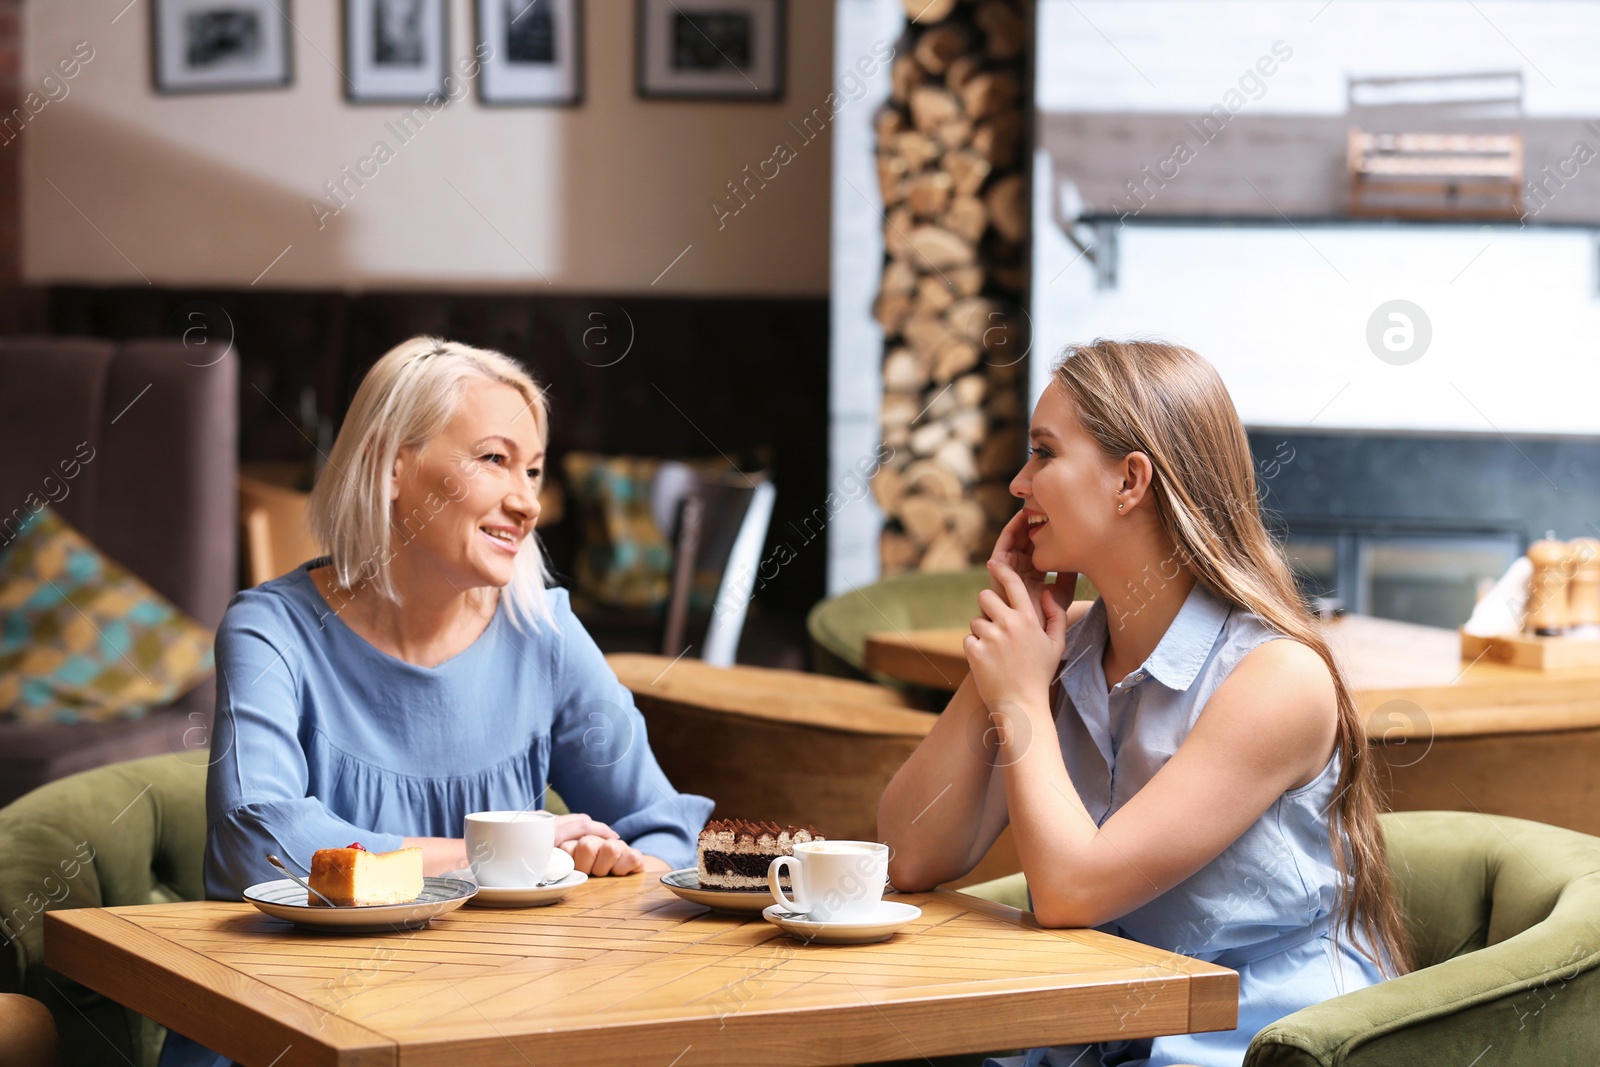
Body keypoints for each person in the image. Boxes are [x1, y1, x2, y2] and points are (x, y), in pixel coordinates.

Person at [161, 337, 713, 1067]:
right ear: (392, 466)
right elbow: (256, 842)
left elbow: (664, 832)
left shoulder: (544, 633)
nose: (528, 501)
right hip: (286, 1034)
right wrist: (502, 859)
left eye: (534, 470)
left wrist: (602, 864)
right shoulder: (271, 630)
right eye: (494, 458)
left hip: (475, 1030)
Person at [878, 340, 1410, 1067]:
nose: (1017, 483)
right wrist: (1009, 638)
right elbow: (908, 854)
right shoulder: (1058, 649)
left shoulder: (1278, 678)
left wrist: (1021, 693)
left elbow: (1069, 891)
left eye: (1043, 453)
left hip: (1252, 1036)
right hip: (1102, 1020)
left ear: (1129, 481)